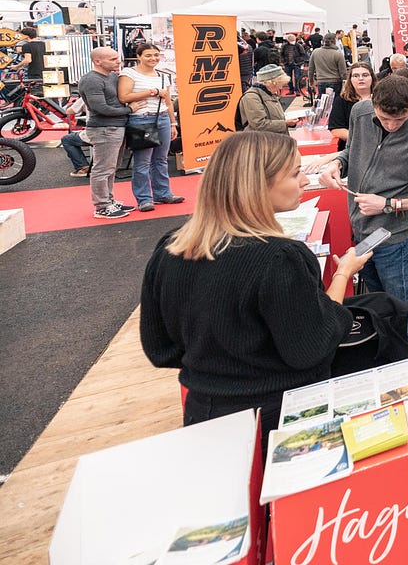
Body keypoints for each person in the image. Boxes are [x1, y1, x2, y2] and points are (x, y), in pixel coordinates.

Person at [140, 131, 369, 432]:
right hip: (283, 419)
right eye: (296, 173)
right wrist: (343, 274)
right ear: (259, 184)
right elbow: (313, 346)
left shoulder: (171, 248)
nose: (304, 181)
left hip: (202, 414)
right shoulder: (280, 258)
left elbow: (160, 349)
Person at [317, 72, 408, 355]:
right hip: (361, 231)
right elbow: (353, 151)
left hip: (395, 240)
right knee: (378, 308)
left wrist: (390, 204)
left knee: (407, 314)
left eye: (400, 120)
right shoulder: (359, 112)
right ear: (373, 105)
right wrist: (337, 164)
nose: (392, 126)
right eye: (384, 118)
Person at [118, 42, 183, 212]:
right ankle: (144, 198)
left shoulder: (163, 76)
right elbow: (124, 96)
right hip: (140, 120)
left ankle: (162, 193)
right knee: (143, 162)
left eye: (156, 55)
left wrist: (173, 122)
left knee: (161, 160)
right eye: (148, 55)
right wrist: (152, 92)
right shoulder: (129, 73)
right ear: (138, 56)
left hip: (162, 119)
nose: (153, 58)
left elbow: (168, 101)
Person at [76, 46, 135, 219]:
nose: (118, 62)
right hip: (103, 128)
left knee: (111, 167)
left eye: (117, 58)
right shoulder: (91, 80)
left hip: (115, 127)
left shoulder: (112, 76)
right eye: (113, 59)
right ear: (98, 61)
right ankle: (101, 206)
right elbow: (100, 108)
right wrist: (129, 109)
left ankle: (108, 200)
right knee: (103, 168)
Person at [329, 62, 375, 149]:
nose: (361, 78)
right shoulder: (341, 101)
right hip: (352, 148)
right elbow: (336, 129)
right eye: (356, 76)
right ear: (350, 79)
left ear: (372, 77)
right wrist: (361, 139)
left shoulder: (382, 98)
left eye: (365, 75)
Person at [237, 64, 293, 134]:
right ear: (271, 83)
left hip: (274, 139)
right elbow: (258, 124)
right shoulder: (251, 97)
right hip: (262, 141)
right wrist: (285, 123)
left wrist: (289, 122)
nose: (280, 87)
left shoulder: (269, 93)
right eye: (279, 84)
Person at [309, 32, 348, 97]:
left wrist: (311, 81)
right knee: (335, 103)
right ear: (335, 41)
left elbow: (311, 69)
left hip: (321, 81)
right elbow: (343, 72)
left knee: (323, 104)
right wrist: (345, 83)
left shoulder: (315, 52)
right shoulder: (338, 54)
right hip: (336, 81)